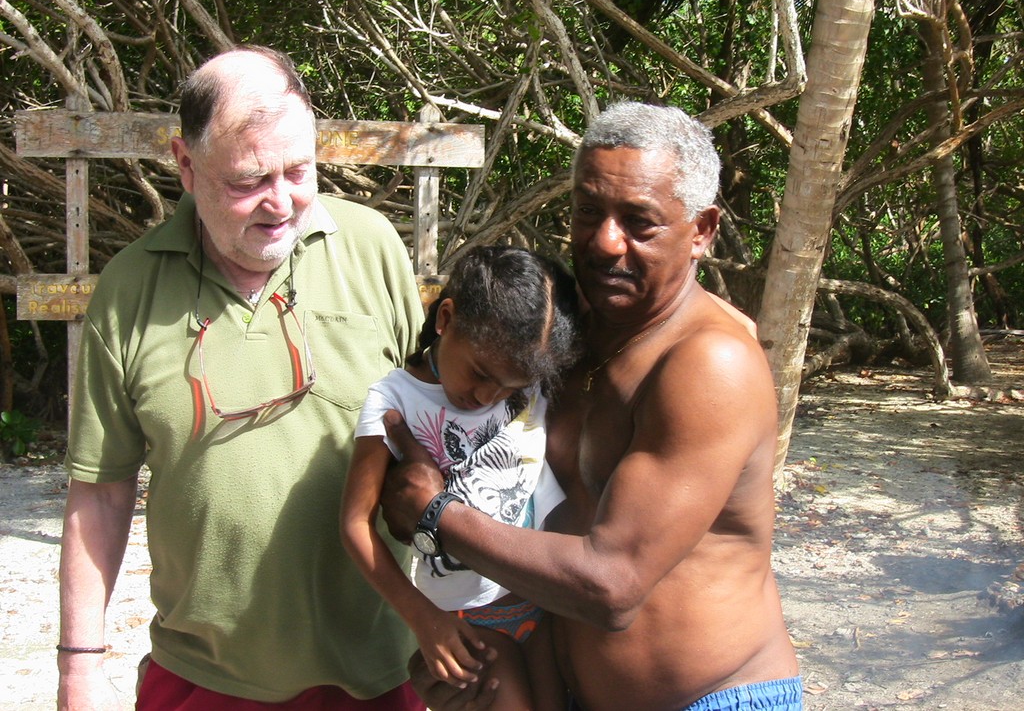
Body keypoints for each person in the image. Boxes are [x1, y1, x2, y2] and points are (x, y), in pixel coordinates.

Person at [380, 102, 803, 710]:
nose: (605, 242)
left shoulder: (709, 364)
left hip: (713, 697)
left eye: (639, 222)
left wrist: (437, 515)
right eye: (587, 212)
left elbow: (613, 584)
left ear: (702, 231)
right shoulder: (559, 332)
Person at [57, 46, 427, 710]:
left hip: (376, 672)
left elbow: (441, 432)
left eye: (299, 171)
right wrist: (78, 671)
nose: (281, 203)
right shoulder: (129, 289)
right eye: (248, 181)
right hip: (203, 676)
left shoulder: (372, 248)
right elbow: (102, 493)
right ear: (185, 164)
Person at [342, 245, 580, 711]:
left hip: (545, 598)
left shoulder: (529, 375)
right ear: (446, 318)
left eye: (509, 388)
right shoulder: (394, 401)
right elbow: (354, 524)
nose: (488, 396)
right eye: (480, 374)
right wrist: (422, 618)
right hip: (470, 620)